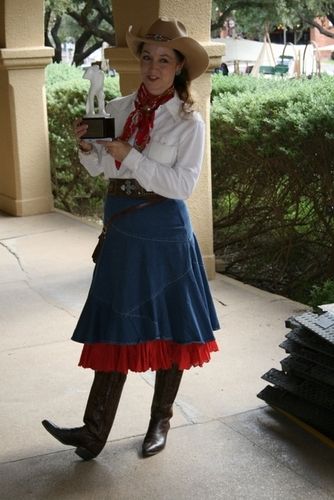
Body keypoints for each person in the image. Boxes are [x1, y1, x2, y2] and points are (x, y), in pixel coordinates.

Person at [42, 17, 220, 461]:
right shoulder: (119, 109)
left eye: (164, 60)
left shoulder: (187, 123)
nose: (153, 67)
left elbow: (182, 187)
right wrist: (88, 149)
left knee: (172, 329)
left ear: (179, 67)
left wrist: (132, 155)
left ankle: (161, 419)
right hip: (122, 229)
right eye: (147, 58)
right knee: (116, 327)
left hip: (165, 233)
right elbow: (104, 169)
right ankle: (92, 431)